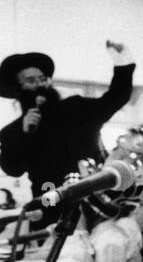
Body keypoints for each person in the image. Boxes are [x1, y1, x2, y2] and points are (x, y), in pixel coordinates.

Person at [0, 42, 135, 227]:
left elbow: (116, 98)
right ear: (18, 88)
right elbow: (13, 169)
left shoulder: (76, 108)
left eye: (43, 78)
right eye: (31, 81)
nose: (40, 84)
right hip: (49, 209)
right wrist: (24, 134)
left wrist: (122, 62)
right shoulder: (12, 132)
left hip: (96, 205)